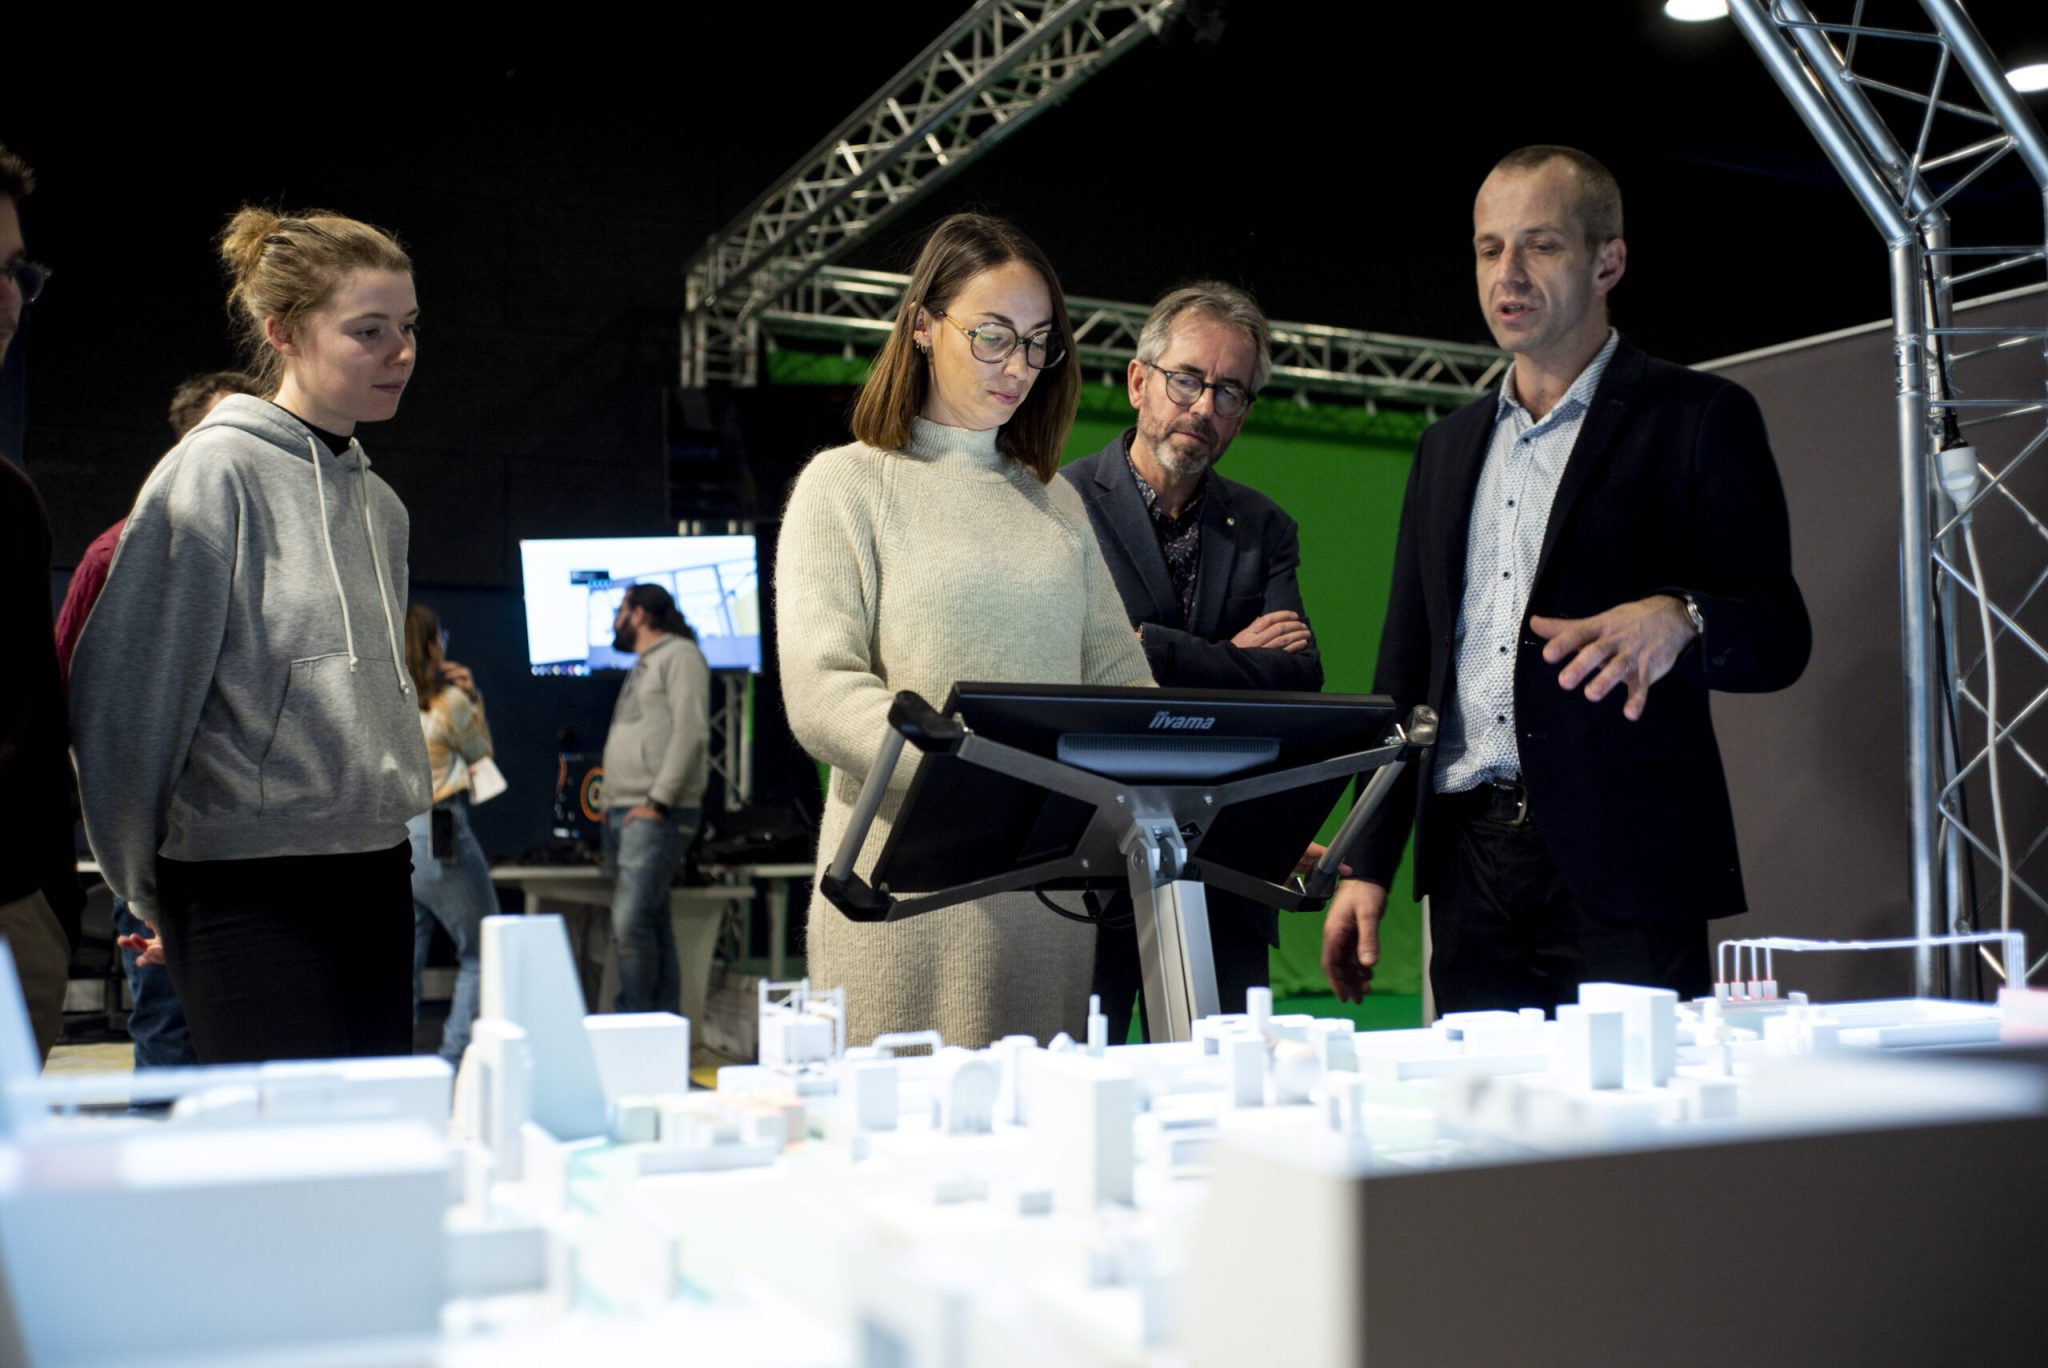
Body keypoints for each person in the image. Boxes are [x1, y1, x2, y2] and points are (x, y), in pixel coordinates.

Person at [1323, 146, 1811, 1018]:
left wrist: (1681, 617)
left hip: (1628, 867)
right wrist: (1364, 866)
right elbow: (1406, 673)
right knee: (1490, 1141)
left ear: (1607, 261)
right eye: (1488, 248)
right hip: (1471, 873)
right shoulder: (1446, 448)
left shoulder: (1698, 418)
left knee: (1639, 1143)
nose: (1506, 274)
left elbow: (1778, 633)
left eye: (1540, 245)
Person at [777, 211, 1155, 1050]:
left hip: (1044, 906)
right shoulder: (846, 486)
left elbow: (1120, 681)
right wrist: (982, 779)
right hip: (895, 903)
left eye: (1037, 342)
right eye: (992, 336)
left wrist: (1187, 783)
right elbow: (822, 689)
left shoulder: (1054, 502)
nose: (1017, 366)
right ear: (922, 326)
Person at [70, 206, 430, 1063]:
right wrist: (147, 892)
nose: (402, 353)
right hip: (243, 886)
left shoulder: (382, 508)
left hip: (377, 870)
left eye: (409, 327)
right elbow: (126, 702)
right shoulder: (213, 470)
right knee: (281, 1164)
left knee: (369, 1145)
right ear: (284, 333)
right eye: (369, 331)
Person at [1059, 280, 1319, 1041]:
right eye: (1188, 380)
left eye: (1231, 392)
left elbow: (1297, 675)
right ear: (1140, 381)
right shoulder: (1059, 505)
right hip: (1086, 862)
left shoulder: (1266, 527)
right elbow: (1070, 665)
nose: (1205, 407)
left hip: (1224, 861)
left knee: (1225, 1103)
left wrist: (1150, 650)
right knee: (1083, 1093)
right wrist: (1226, 657)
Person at [52, 371, 257, 1069]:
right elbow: (80, 714)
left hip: (263, 855)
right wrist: (141, 880)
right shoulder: (121, 554)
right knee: (173, 1044)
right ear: (187, 447)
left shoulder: (276, 561)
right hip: (167, 856)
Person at [0, 143, 80, 1063]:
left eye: (19, 271)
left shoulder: (9, 504)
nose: (11, 295)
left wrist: (50, 904)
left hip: (14, 913)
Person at [601, 582, 711, 1014]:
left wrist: (659, 801)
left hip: (656, 812)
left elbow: (691, 731)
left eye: (620, 609)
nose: (615, 619)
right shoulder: (645, 663)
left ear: (640, 614)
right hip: (628, 809)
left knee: (629, 927)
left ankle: (635, 1028)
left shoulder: (681, 656)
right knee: (650, 924)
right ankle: (664, 1034)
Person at [403, 605, 494, 1063]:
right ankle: (453, 1064)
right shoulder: (451, 702)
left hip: (396, 840)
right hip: (442, 832)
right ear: (430, 645)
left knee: (405, 962)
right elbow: (482, 759)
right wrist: (474, 698)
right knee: (483, 952)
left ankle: (396, 1062)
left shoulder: (387, 702)